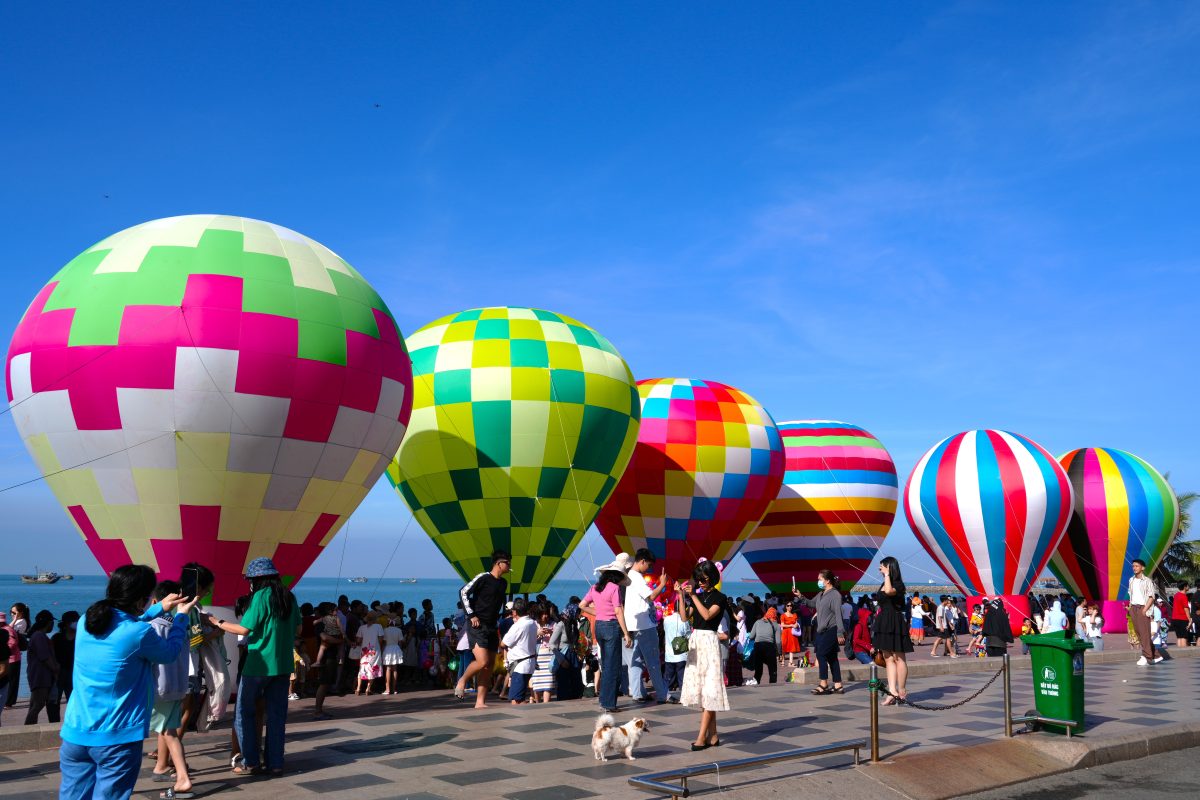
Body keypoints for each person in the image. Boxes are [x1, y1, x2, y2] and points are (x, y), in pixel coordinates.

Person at [59, 565, 198, 800]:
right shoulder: (139, 633)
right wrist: (181, 617)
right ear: (142, 599)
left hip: (75, 733)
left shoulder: (86, 622)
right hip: (116, 738)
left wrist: (158, 609)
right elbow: (170, 652)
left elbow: (124, 625)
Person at [204, 557, 302, 776]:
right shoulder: (289, 597)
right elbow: (298, 630)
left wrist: (216, 622)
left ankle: (250, 761)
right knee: (277, 716)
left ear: (255, 580)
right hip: (284, 665)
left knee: (244, 713)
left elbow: (244, 630)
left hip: (258, 665)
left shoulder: (259, 597)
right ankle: (275, 763)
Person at [147, 580, 194, 798]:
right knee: (169, 731)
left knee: (168, 733)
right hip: (177, 686)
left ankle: (183, 778)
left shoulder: (152, 626)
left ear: (156, 602)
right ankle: (167, 769)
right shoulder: (179, 626)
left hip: (159, 687)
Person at [679, 560, 729, 751]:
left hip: (709, 641)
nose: (701, 583)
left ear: (712, 578)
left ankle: (701, 737)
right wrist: (680, 596)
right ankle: (713, 735)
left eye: (704, 579)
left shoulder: (720, 597)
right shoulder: (698, 596)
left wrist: (694, 596)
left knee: (709, 689)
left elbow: (708, 615)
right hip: (696, 641)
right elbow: (684, 617)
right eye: (699, 579)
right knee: (703, 691)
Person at [453, 550, 512, 708]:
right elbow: (463, 592)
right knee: (482, 661)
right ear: (498, 563)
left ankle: (480, 702)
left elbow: (499, 605)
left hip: (493, 626)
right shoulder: (483, 577)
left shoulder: (503, 583)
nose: (510, 566)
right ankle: (462, 680)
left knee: (489, 666)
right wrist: (471, 615)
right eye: (507, 563)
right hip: (477, 625)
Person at [579, 553, 633, 713]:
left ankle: (604, 699)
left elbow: (582, 605)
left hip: (600, 627)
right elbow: (618, 611)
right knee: (612, 666)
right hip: (611, 627)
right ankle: (609, 703)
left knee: (606, 664)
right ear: (617, 577)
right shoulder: (614, 588)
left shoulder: (595, 587)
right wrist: (626, 633)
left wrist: (598, 612)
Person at [625, 548, 670, 704]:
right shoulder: (637, 578)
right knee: (653, 661)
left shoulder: (628, 576)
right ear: (642, 561)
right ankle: (663, 694)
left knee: (636, 661)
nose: (648, 569)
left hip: (632, 625)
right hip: (644, 625)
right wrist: (662, 584)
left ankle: (637, 692)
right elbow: (651, 596)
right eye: (648, 565)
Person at [796, 569, 846, 695]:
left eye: (820, 579)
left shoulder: (835, 595)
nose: (818, 581)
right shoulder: (821, 593)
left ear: (827, 581)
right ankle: (838, 685)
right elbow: (811, 603)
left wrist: (840, 632)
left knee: (821, 654)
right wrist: (800, 596)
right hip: (821, 630)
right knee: (832, 657)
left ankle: (823, 684)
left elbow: (839, 614)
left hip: (831, 629)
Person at [872, 556, 913, 705]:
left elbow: (889, 591)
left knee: (899, 657)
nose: (879, 569)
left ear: (889, 567)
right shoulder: (884, 582)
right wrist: (886, 576)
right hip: (883, 620)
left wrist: (887, 574)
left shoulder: (898, 584)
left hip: (894, 621)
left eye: (882, 566)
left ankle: (901, 690)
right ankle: (892, 691)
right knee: (887, 657)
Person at [23, 609, 60, 725]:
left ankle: (28, 728)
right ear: (49, 623)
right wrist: (55, 669)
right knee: (38, 704)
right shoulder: (39, 636)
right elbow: (44, 657)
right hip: (40, 676)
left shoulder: (39, 636)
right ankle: (28, 729)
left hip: (39, 675)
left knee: (35, 704)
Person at [500, 599, 538, 704]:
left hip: (519, 665)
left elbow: (504, 643)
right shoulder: (533, 623)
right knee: (519, 697)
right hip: (528, 662)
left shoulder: (518, 626)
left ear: (515, 612)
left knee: (516, 699)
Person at [311, 602, 344, 720]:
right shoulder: (321, 624)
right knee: (324, 683)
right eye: (335, 610)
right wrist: (340, 641)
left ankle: (319, 709)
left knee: (325, 683)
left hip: (331, 655)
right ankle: (317, 711)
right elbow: (325, 638)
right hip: (326, 657)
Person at [1127, 559, 1161, 666]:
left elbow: (1151, 597)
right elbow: (1131, 594)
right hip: (1133, 608)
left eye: (1137, 566)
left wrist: (1145, 609)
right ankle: (1156, 655)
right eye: (1133, 566)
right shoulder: (1131, 580)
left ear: (1143, 568)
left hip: (1143, 608)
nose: (1134, 568)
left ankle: (1147, 656)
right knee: (1139, 633)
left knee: (1144, 633)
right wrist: (1130, 606)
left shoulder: (1147, 581)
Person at [661, 594, 690, 701]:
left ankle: (664, 694)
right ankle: (684, 696)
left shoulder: (666, 619)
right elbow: (688, 635)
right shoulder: (685, 621)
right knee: (682, 675)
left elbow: (665, 631)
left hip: (669, 653)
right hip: (681, 653)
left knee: (668, 675)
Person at [50, 610, 79, 709]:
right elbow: (51, 655)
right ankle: (54, 722)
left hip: (74, 673)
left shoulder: (80, 638)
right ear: (67, 623)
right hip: (59, 672)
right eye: (75, 621)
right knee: (54, 701)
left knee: (74, 702)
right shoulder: (57, 638)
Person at [747, 606, 782, 684]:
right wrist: (779, 653)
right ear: (775, 614)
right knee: (772, 669)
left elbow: (751, 636)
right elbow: (778, 642)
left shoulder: (757, 622)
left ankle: (756, 683)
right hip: (769, 648)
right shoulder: (777, 625)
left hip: (758, 646)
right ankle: (772, 686)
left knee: (758, 669)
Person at [530, 604, 557, 703]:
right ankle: (538, 703)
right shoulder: (533, 624)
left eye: (546, 614)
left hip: (549, 656)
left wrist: (552, 633)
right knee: (536, 682)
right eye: (542, 614)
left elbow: (558, 638)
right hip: (537, 656)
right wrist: (537, 633)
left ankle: (546, 704)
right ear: (538, 614)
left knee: (548, 683)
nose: (545, 616)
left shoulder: (553, 624)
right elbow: (527, 639)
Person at [6, 602, 29, 708]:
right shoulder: (18, 621)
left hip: (14, 654)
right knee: (11, 678)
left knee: (12, 679)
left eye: (14, 612)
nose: (11, 614)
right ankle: (9, 699)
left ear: (20, 613)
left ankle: (9, 701)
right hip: (12, 654)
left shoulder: (22, 622)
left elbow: (7, 630)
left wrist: (14, 620)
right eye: (11, 612)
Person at [355, 611, 383, 695]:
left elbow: (358, 640)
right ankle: (368, 689)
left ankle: (358, 688)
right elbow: (381, 639)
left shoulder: (362, 627)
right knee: (372, 669)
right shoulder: (378, 626)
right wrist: (380, 647)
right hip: (375, 650)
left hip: (364, 651)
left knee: (362, 668)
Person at [381, 614, 404, 695]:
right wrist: (400, 650)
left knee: (388, 669)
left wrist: (382, 651)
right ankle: (394, 689)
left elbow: (384, 642)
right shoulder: (399, 630)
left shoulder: (385, 630)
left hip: (388, 648)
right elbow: (400, 642)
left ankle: (387, 689)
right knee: (395, 669)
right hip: (396, 648)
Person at [779, 602, 801, 667]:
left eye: (791, 605)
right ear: (785, 607)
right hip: (786, 632)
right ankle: (783, 660)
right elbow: (782, 625)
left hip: (792, 632)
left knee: (792, 647)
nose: (789, 607)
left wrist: (796, 625)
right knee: (784, 646)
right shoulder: (783, 615)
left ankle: (790, 662)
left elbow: (796, 623)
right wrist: (791, 625)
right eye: (788, 605)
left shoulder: (794, 615)